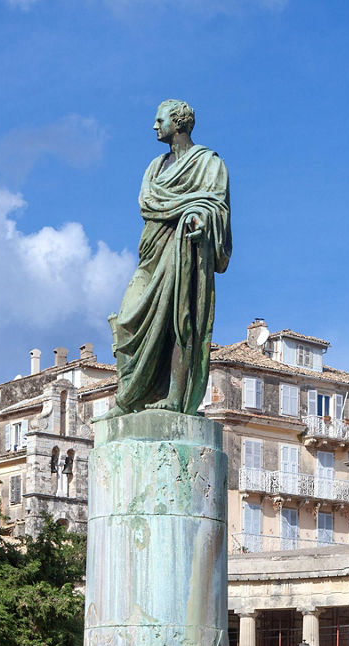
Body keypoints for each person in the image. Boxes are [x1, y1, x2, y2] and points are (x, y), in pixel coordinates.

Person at [100, 99, 231, 419]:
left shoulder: (208, 162)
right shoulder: (155, 166)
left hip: (184, 248)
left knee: (178, 320)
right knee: (128, 319)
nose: (154, 126)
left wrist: (199, 218)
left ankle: (174, 398)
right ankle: (130, 396)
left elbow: (216, 204)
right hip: (151, 252)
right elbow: (147, 204)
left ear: (179, 122)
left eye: (160, 120)